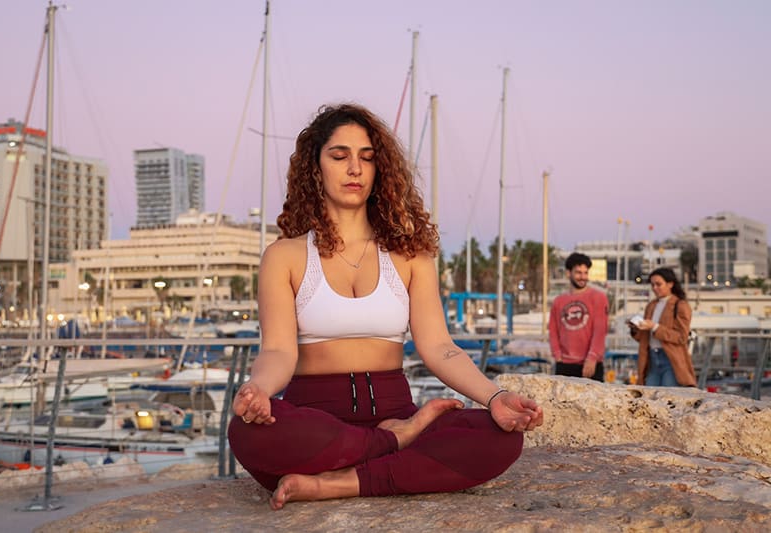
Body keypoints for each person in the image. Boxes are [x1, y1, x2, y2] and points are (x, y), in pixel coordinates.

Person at [228, 103, 543, 510]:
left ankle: (340, 482)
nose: (355, 169)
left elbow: (440, 348)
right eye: (340, 156)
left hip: (395, 408)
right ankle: (394, 445)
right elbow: (278, 351)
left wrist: (495, 396)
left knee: (499, 438)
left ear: (380, 171)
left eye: (367, 158)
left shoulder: (410, 254)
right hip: (319, 421)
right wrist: (259, 390)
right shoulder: (284, 256)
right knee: (248, 433)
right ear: (315, 167)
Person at [629, 267, 696, 387]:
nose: (655, 288)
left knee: (668, 397)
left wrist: (655, 327)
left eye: (658, 284)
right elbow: (644, 338)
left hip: (670, 359)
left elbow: (681, 337)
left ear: (670, 284)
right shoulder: (651, 306)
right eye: (653, 284)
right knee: (650, 397)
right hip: (651, 358)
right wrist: (635, 328)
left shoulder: (680, 305)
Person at [548, 252, 608, 381]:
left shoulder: (599, 297)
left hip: (590, 364)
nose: (583, 277)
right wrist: (557, 355)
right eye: (578, 273)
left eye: (585, 273)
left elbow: (600, 331)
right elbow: (553, 330)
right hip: (564, 364)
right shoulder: (559, 301)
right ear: (568, 273)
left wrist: (592, 357)